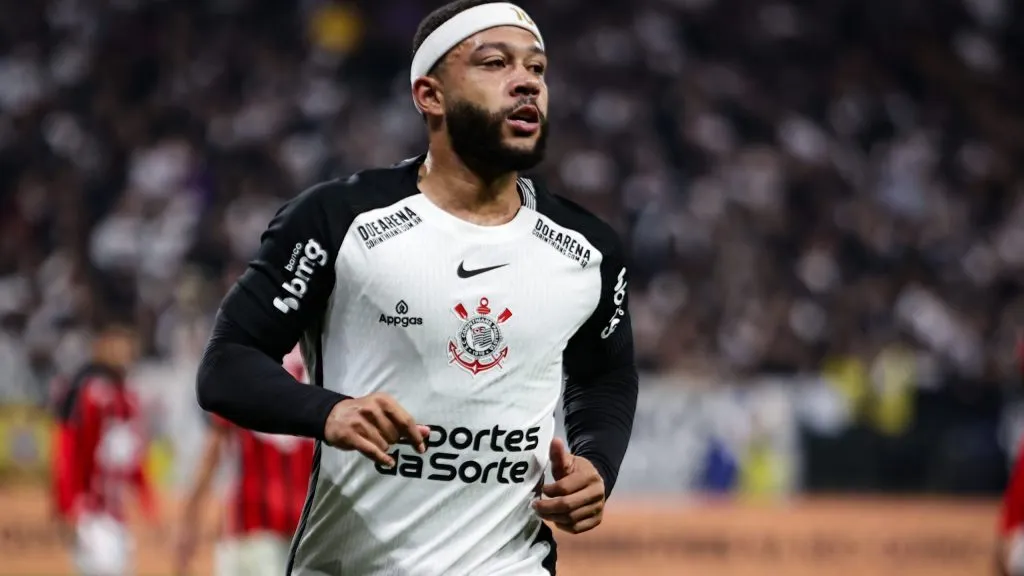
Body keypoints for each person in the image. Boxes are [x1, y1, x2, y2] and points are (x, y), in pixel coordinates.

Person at [196, 1, 638, 574]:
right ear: (430, 95)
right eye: (495, 63)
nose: (526, 81)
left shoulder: (587, 250)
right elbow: (226, 364)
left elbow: (605, 371)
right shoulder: (338, 220)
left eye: (537, 68)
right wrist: (329, 412)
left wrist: (596, 462)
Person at [175, 346, 315, 576]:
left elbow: (214, 450)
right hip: (310, 526)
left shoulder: (243, 355)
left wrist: (189, 521)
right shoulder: (324, 356)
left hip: (253, 523)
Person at [52, 320, 158, 576]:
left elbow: (135, 461)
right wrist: (67, 503)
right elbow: (70, 451)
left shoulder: (130, 400)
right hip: (92, 512)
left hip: (118, 516)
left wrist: (147, 501)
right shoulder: (91, 395)